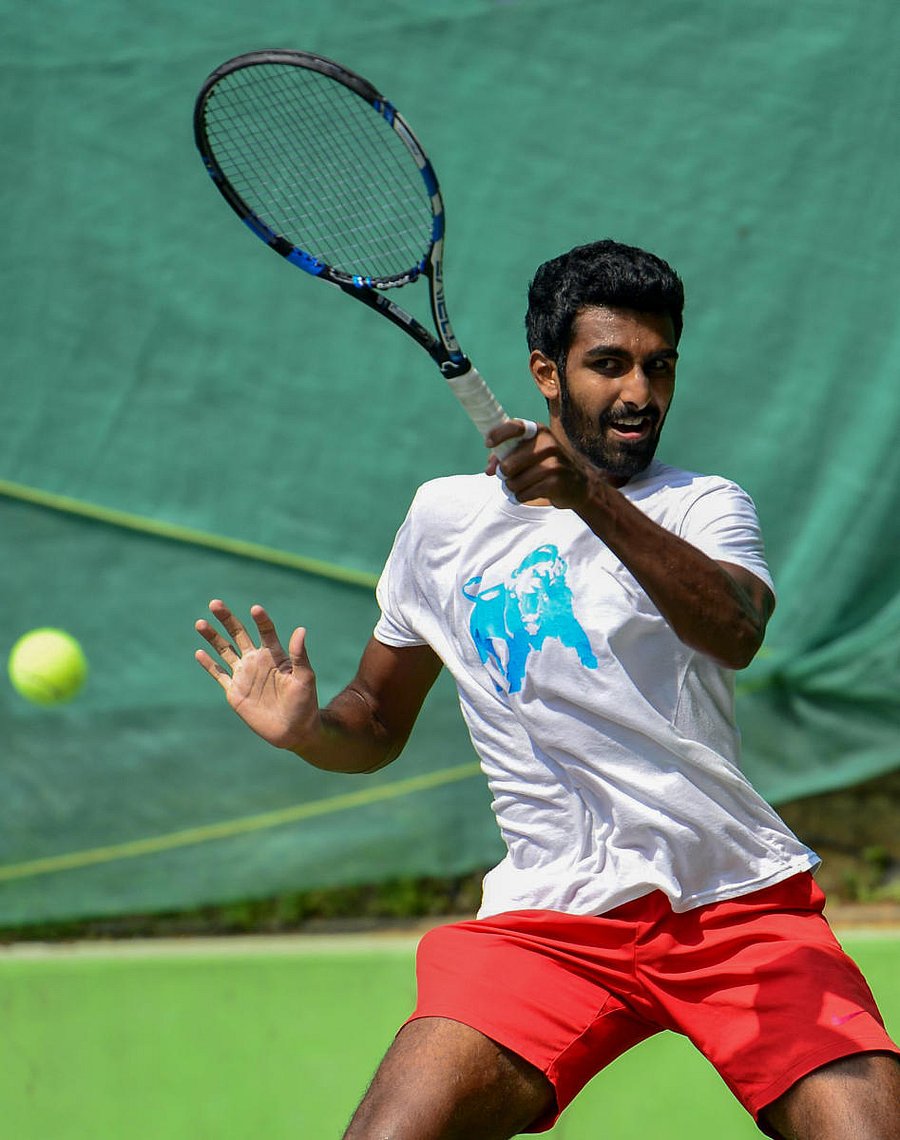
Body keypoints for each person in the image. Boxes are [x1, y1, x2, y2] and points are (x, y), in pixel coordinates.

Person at [195, 240, 900, 1140]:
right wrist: (305, 731)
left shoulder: (704, 504)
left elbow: (735, 631)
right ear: (546, 373)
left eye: (659, 366)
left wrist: (589, 501)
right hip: (551, 921)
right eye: (609, 365)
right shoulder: (443, 522)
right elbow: (372, 722)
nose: (639, 394)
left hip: (734, 904)